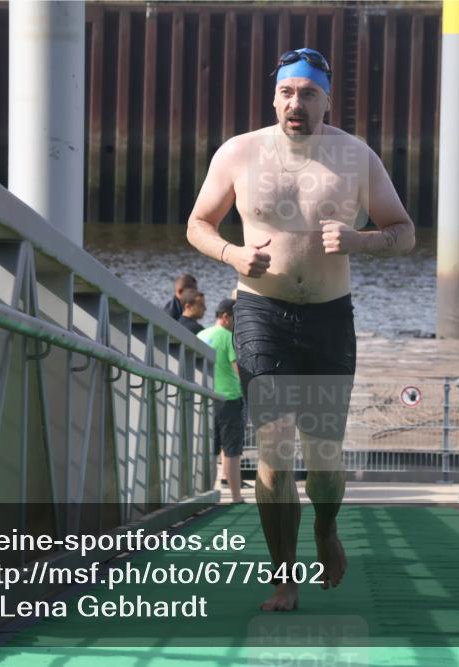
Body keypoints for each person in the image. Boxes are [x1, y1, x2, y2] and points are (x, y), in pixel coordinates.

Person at [186, 47, 415, 611]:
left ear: (326, 100)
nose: (297, 103)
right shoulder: (239, 153)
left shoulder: (354, 157)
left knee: (324, 454)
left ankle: (326, 527)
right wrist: (232, 255)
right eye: (288, 92)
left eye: (309, 93)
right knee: (273, 448)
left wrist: (363, 240)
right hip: (261, 313)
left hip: (329, 318)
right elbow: (197, 223)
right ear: (274, 96)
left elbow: (404, 230)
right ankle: (282, 576)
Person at [197, 299, 245, 503]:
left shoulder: (201, 335)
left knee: (209, 449)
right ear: (225, 317)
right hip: (229, 398)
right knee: (231, 451)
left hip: (206, 397)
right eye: (236, 319)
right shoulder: (228, 337)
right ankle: (235, 497)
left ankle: (207, 493)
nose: (237, 324)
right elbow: (238, 369)